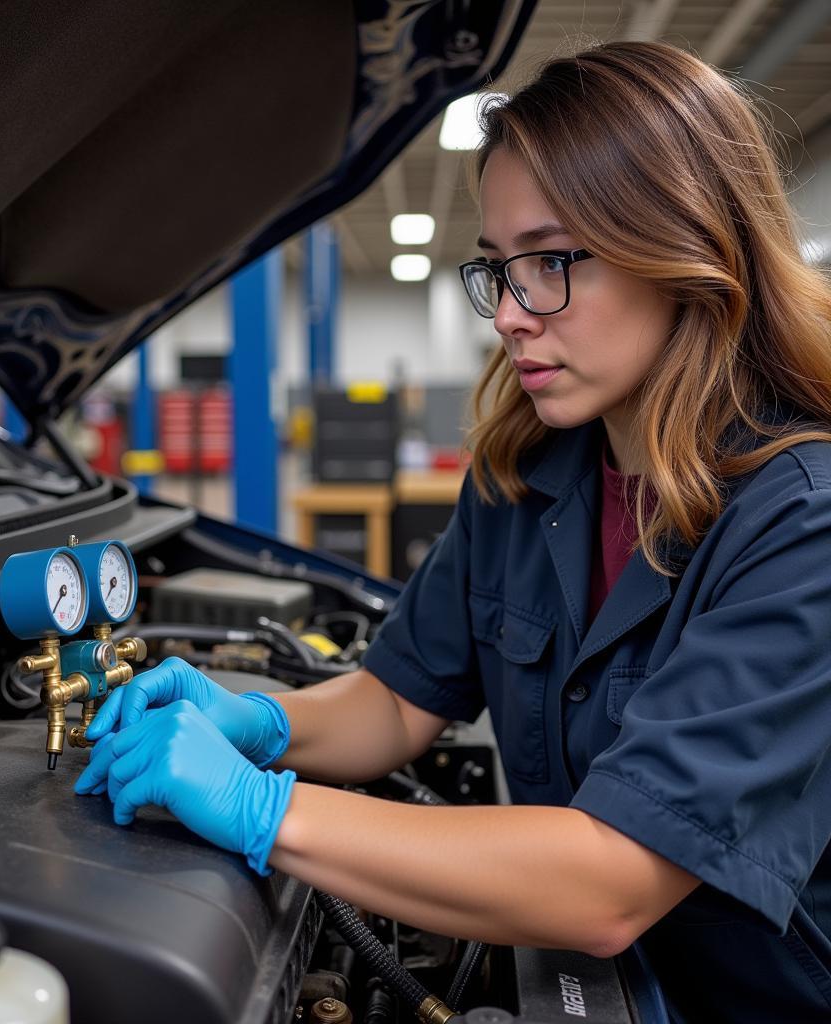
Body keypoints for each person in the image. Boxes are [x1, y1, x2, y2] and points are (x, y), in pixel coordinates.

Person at [75, 41, 831, 1023]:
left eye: (552, 262)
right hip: (578, 977)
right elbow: (397, 703)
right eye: (497, 268)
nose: (511, 313)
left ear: (686, 250)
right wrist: (259, 717)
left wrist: (267, 810)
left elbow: (610, 881)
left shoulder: (799, 523)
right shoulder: (525, 476)